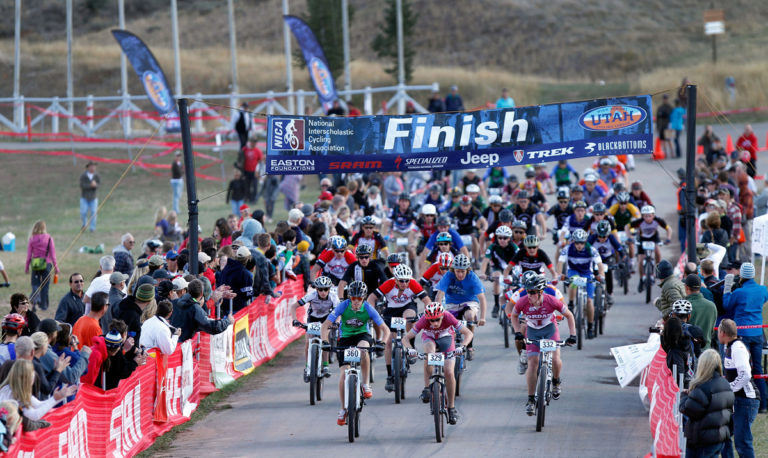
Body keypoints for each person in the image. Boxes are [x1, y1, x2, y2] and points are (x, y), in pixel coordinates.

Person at [320, 281, 389, 426]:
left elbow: (385, 329)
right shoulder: (343, 306)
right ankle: (342, 408)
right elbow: (325, 325)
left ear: (363, 298)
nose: (356, 301)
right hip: (345, 338)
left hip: (362, 335)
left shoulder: (368, 308)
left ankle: (366, 384)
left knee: (364, 349)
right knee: (344, 373)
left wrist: (382, 342)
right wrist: (325, 341)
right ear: (349, 297)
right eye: (353, 298)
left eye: (359, 298)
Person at [510, 273, 576, 416]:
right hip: (532, 331)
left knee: (555, 358)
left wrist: (573, 335)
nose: (529, 295)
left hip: (550, 330)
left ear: (540, 292)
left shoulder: (551, 300)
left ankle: (556, 381)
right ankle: (530, 400)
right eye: (528, 291)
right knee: (532, 362)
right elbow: (514, 315)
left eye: (532, 292)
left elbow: (569, 315)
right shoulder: (523, 302)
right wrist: (517, 332)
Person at [403, 302, 473, 425]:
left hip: (446, 338)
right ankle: (426, 388)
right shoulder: (423, 320)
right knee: (429, 353)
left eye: (437, 320)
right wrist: (410, 349)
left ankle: (451, 408)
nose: (435, 323)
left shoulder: (448, 316)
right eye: (431, 320)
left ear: (442, 316)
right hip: (429, 338)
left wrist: (462, 346)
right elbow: (405, 338)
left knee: (449, 372)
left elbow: (468, 333)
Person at [373, 265, 431, 393]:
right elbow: (372, 298)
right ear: (395, 279)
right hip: (391, 311)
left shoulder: (413, 283)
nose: (404, 283)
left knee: (410, 317)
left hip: (407, 307)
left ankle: (411, 346)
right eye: (401, 281)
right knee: (389, 342)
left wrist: (428, 312)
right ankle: (390, 375)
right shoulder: (389, 284)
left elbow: (427, 301)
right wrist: (373, 313)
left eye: (406, 280)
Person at [722, 262, 768, 412]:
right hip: (757, 333)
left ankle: (744, 399)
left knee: (742, 368)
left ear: (741, 275)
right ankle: (763, 404)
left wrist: (727, 288)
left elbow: (726, 305)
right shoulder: (763, 290)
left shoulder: (739, 292)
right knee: (758, 369)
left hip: (742, 333)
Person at [678, 349, 734, 458]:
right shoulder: (725, 384)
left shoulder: (702, 387)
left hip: (702, 440)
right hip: (719, 438)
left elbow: (689, 410)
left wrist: (684, 396)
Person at [718, 319, 760, 458]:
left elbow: (745, 374)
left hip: (746, 400)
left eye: (718, 331)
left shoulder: (737, 348)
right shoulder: (730, 346)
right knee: (723, 435)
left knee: (742, 442)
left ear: (723, 333)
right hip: (737, 399)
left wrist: (729, 388)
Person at [434, 254, 487, 360]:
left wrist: (482, 317)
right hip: (452, 303)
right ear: (453, 269)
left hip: (469, 301)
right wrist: (437, 314)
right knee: (450, 326)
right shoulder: (448, 275)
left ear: (467, 270)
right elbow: (439, 296)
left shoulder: (472, 277)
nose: (460, 274)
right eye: (457, 271)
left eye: (463, 271)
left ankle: (469, 346)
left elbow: (482, 298)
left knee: (469, 316)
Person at [555, 229, 604, 339]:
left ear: (585, 242)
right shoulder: (567, 249)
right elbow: (560, 263)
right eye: (577, 242)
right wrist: (559, 274)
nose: (579, 245)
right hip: (574, 271)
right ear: (573, 241)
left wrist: (601, 276)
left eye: (582, 243)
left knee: (590, 301)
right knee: (573, 280)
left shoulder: (591, 250)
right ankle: (571, 303)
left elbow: (600, 265)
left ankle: (590, 326)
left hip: (587, 273)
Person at [291, 276, 339, 379]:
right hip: (312, 318)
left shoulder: (333, 297)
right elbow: (293, 306)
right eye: (320, 289)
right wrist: (294, 319)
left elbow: (338, 312)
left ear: (329, 289)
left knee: (325, 340)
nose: (323, 292)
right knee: (308, 342)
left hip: (326, 319)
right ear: (316, 289)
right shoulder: (311, 295)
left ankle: (325, 366)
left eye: (326, 289)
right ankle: (307, 367)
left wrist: (337, 323)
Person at [0, 360, 76, 421]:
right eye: (31, 373)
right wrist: (54, 399)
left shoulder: (17, 389)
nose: (34, 376)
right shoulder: (11, 393)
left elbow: (39, 405)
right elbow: (34, 415)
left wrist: (59, 397)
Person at [480, 225, 518, 318]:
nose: (502, 240)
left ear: (509, 238)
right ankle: (496, 304)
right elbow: (485, 261)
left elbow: (520, 260)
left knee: (514, 286)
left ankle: (514, 306)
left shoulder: (514, 247)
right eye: (500, 237)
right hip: (498, 268)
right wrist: (483, 273)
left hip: (511, 269)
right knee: (496, 277)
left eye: (505, 238)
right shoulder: (492, 246)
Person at [25, 220, 58, 312]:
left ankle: (35, 301)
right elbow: (53, 255)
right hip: (46, 264)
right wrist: (56, 267)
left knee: (35, 284)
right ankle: (44, 306)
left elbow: (29, 255)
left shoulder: (32, 239)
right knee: (45, 286)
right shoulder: (49, 238)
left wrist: (27, 267)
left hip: (35, 265)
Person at [684, 275, 717, 351]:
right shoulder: (712, 306)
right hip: (706, 350)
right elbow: (712, 331)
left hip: (690, 350)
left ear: (686, 287)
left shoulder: (686, 306)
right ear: (700, 287)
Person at [662, 316, 693, 388]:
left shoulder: (675, 351)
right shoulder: (687, 343)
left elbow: (679, 374)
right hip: (689, 383)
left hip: (678, 389)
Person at [79, 161, 100, 232]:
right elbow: (82, 185)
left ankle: (92, 228)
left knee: (93, 213)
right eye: (91, 166)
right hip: (84, 197)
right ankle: (84, 225)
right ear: (88, 167)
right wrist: (90, 185)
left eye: (94, 166)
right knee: (83, 212)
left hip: (93, 198)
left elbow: (99, 184)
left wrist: (95, 185)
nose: (93, 168)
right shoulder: (83, 176)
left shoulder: (96, 176)